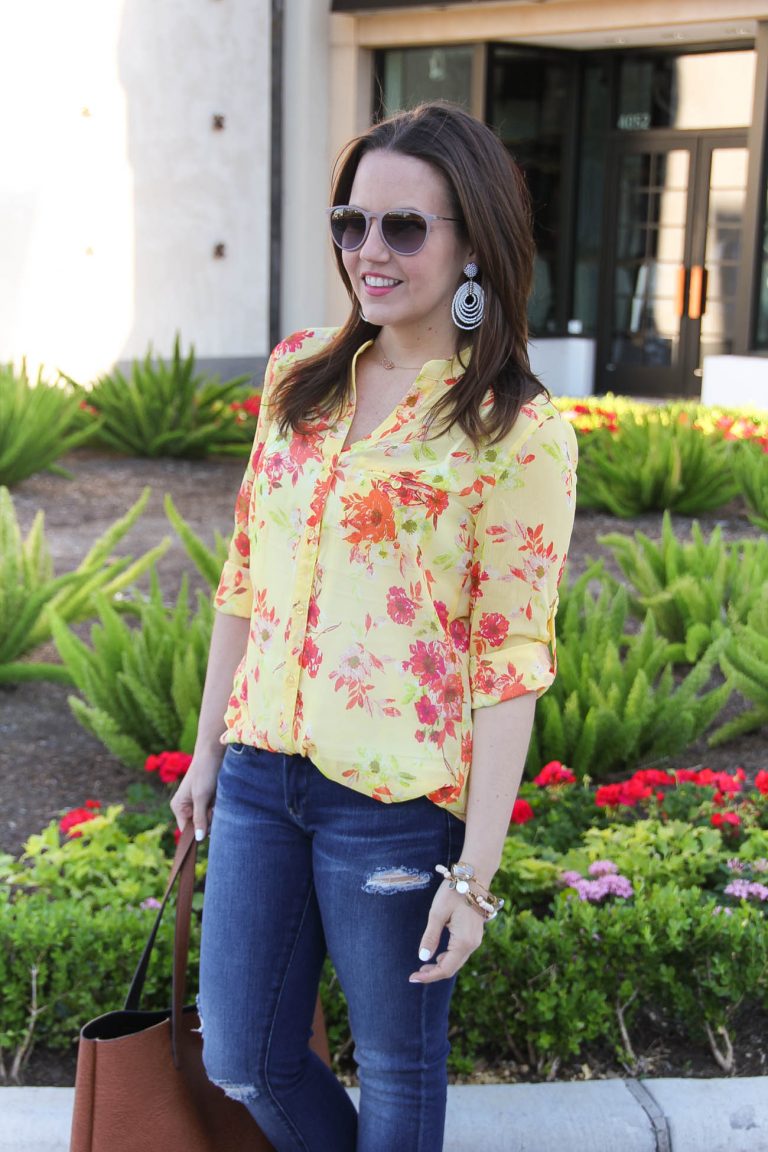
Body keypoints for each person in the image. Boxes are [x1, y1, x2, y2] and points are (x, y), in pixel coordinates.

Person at [171, 100, 577, 1152]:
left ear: (474, 240)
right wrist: (208, 749)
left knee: (397, 1070)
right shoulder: (300, 374)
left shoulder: (514, 428)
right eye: (351, 223)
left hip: (396, 803)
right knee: (240, 1054)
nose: (368, 250)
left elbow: (511, 663)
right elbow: (246, 578)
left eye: (405, 227)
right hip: (264, 770)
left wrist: (473, 880)